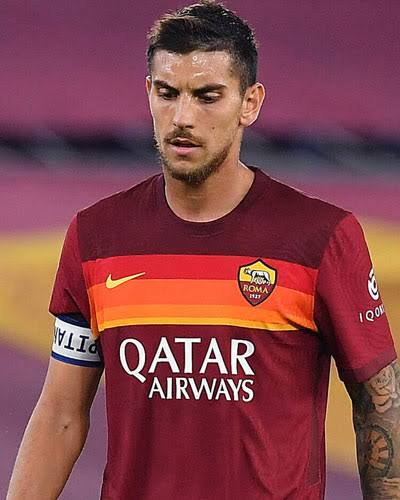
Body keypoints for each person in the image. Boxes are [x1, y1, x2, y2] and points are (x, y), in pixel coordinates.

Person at [7, 1, 399, 499]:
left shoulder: (322, 237)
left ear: (250, 103)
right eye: (167, 93)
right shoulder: (96, 238)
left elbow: (379, 403)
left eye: (207, 96)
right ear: (148, 94)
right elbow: (61, 414)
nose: (183, 117)